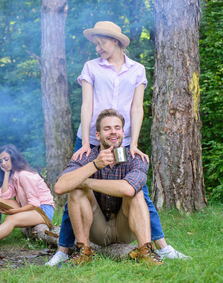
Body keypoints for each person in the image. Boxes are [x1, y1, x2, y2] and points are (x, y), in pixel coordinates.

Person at [46, 21, 187, 266]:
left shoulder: (137, 70)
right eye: (95, 43)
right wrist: (86, 142)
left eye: (101, 42)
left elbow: (136, 108)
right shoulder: (91, 67)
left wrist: (133, 142)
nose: (98, 47)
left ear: (116, 42)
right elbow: (87, 104)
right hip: (92, 139)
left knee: (136, 189)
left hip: (122, 139)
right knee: (75, 188)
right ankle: (64, 249)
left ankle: (160, 246)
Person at [55, 109, 163, 266]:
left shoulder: (135, 158)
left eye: (117, 128)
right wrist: (95, 165)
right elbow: (60, 187)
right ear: (98, 135)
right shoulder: (86, 156)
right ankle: (83, 252)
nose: (113, 132)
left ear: (123, 132)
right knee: (76, 190)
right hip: (96, 229)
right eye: (107, 128)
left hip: (125, 227)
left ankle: (146, 252)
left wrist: (86, 182)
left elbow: (128, 189)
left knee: (136, 193)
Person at [0, 144, 55, 253]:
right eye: (1, 161)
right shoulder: (14, 174)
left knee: (10, 219)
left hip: (42, 210)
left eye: (6, 159)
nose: (3, 163)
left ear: (14, 157)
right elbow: (5, 196)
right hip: (27, 207)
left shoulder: (25, 175)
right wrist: (7, 173)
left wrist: (15, 211)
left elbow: (34, 204)